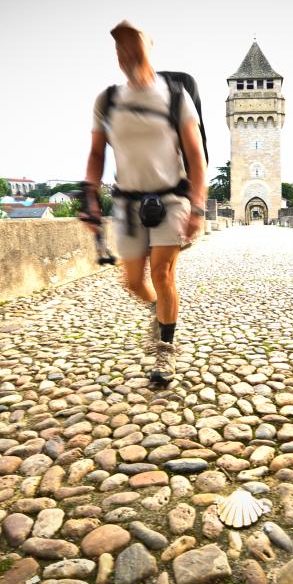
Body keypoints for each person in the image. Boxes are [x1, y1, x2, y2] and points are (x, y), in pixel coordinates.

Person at [82, 21, 207, 387]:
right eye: (120, 50)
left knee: (163, 273)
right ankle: (160, 313)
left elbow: (196, 158)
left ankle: (164, 351)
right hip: (128, 203)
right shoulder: (107, 100)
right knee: (133, 281)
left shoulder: (174, 96)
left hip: (171, 198)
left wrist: (196, 207)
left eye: (133, 48)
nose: (126, 56)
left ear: (149, 50)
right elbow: (95, 153)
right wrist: (90, 198)